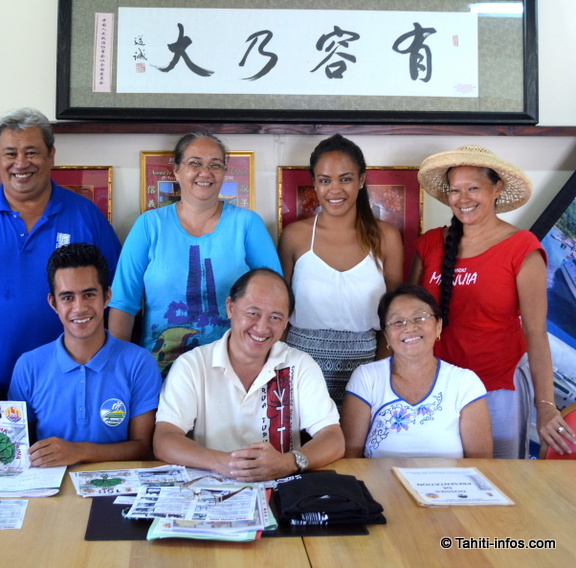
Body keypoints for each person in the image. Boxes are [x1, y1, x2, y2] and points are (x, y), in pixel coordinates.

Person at [0, 108, 121, 392]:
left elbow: (116, 298)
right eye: (10, 153)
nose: (21, 163)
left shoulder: (85, 216)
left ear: (51, 155)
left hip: (70, 388)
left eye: (31, 152)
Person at [409, 145, 576, 457]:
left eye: (473, 188)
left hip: (497, 387)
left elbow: (536, 332)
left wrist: (546, 405)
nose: (463, 199)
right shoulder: (431, 243)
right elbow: (404, 317)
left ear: (496, 188)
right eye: (455, 190)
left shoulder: (521, 248)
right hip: (432, 385)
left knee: (497, 484)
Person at [109, 132, 281, 377]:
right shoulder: (149, 226)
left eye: (215, 165)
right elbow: (123, 304)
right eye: (195, 163)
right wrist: (119, 374)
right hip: (160, 372)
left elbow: (276, 301)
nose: (205, 172)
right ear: (177, 170)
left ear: (224, 172)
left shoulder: (247, 224)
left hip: (235, 371)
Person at [153, 268, 344, 482]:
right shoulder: (192, 365)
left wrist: (289, 462)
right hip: (210, 488)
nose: (262, 328)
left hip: (283, 490)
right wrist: (221, 462)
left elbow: (333, 438)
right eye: (253, 313)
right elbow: (165, 439)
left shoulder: (300, 365)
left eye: (275, 317)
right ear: (230, 308)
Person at [3, 243, 161, 467]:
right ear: (53, 303)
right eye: (67, 297)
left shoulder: (138, 362)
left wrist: (78, 451)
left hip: (116, 489)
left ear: (107, 296)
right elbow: (20, 448)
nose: (79, 308)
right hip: (50, 492)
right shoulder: (29, 366)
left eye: (89, 294)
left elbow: (143, 448)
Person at [278, 134, 403, 408]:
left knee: (356, 449)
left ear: (361, 180)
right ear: (314, 183)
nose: (335, 189)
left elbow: (395, 317)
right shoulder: (295, 236)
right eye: (325, 180)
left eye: (345, 179)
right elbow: (278, 313)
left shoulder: (386, 237)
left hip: (366, 365)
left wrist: (380, 373)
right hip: (300, 365)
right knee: (304, 448)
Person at [341, 284, 492, 459]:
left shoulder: (465, 383)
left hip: (447, 485)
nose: (409, 327)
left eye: (419, 318)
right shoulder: (367, 378)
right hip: (379, 484)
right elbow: (350, 459)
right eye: (398, 322)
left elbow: (481, 463)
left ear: (438, 326)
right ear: (387, 336)